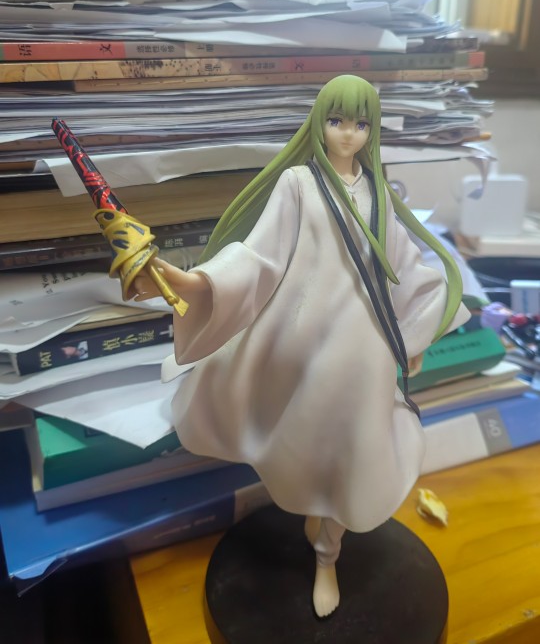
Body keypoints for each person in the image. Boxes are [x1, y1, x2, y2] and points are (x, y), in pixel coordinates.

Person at [129, 75, 470, 618]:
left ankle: (327, 554)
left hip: (365, 351)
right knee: (304, 442)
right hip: (304, 343)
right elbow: (258, 258)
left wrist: (418, 333)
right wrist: (191, 282)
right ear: (318, 122)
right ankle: (313, 519)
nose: (348, 134)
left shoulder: (378, 193)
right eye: (337, 121)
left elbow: (408, 268)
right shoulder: (298, 184)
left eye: (361, 124)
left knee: (354, 450)